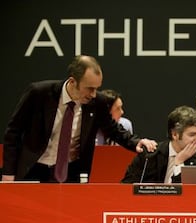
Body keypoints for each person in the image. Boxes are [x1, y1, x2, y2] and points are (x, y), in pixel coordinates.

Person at [2, 55, 157, 183]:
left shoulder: (97, 102)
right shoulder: (39, 93)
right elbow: (13, 132)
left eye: (97, 88)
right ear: (72, 82)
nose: (94, 94)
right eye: (89, 88)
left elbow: (113, 129)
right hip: (33, 169)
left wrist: (136, 142)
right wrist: (8, 173)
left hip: (71, 174)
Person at [122, 106, 196, 183]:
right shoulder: (149, 155)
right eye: (192, 134)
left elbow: (191, 197)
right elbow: (125, 187)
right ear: (175, 134)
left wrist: (179, 164)